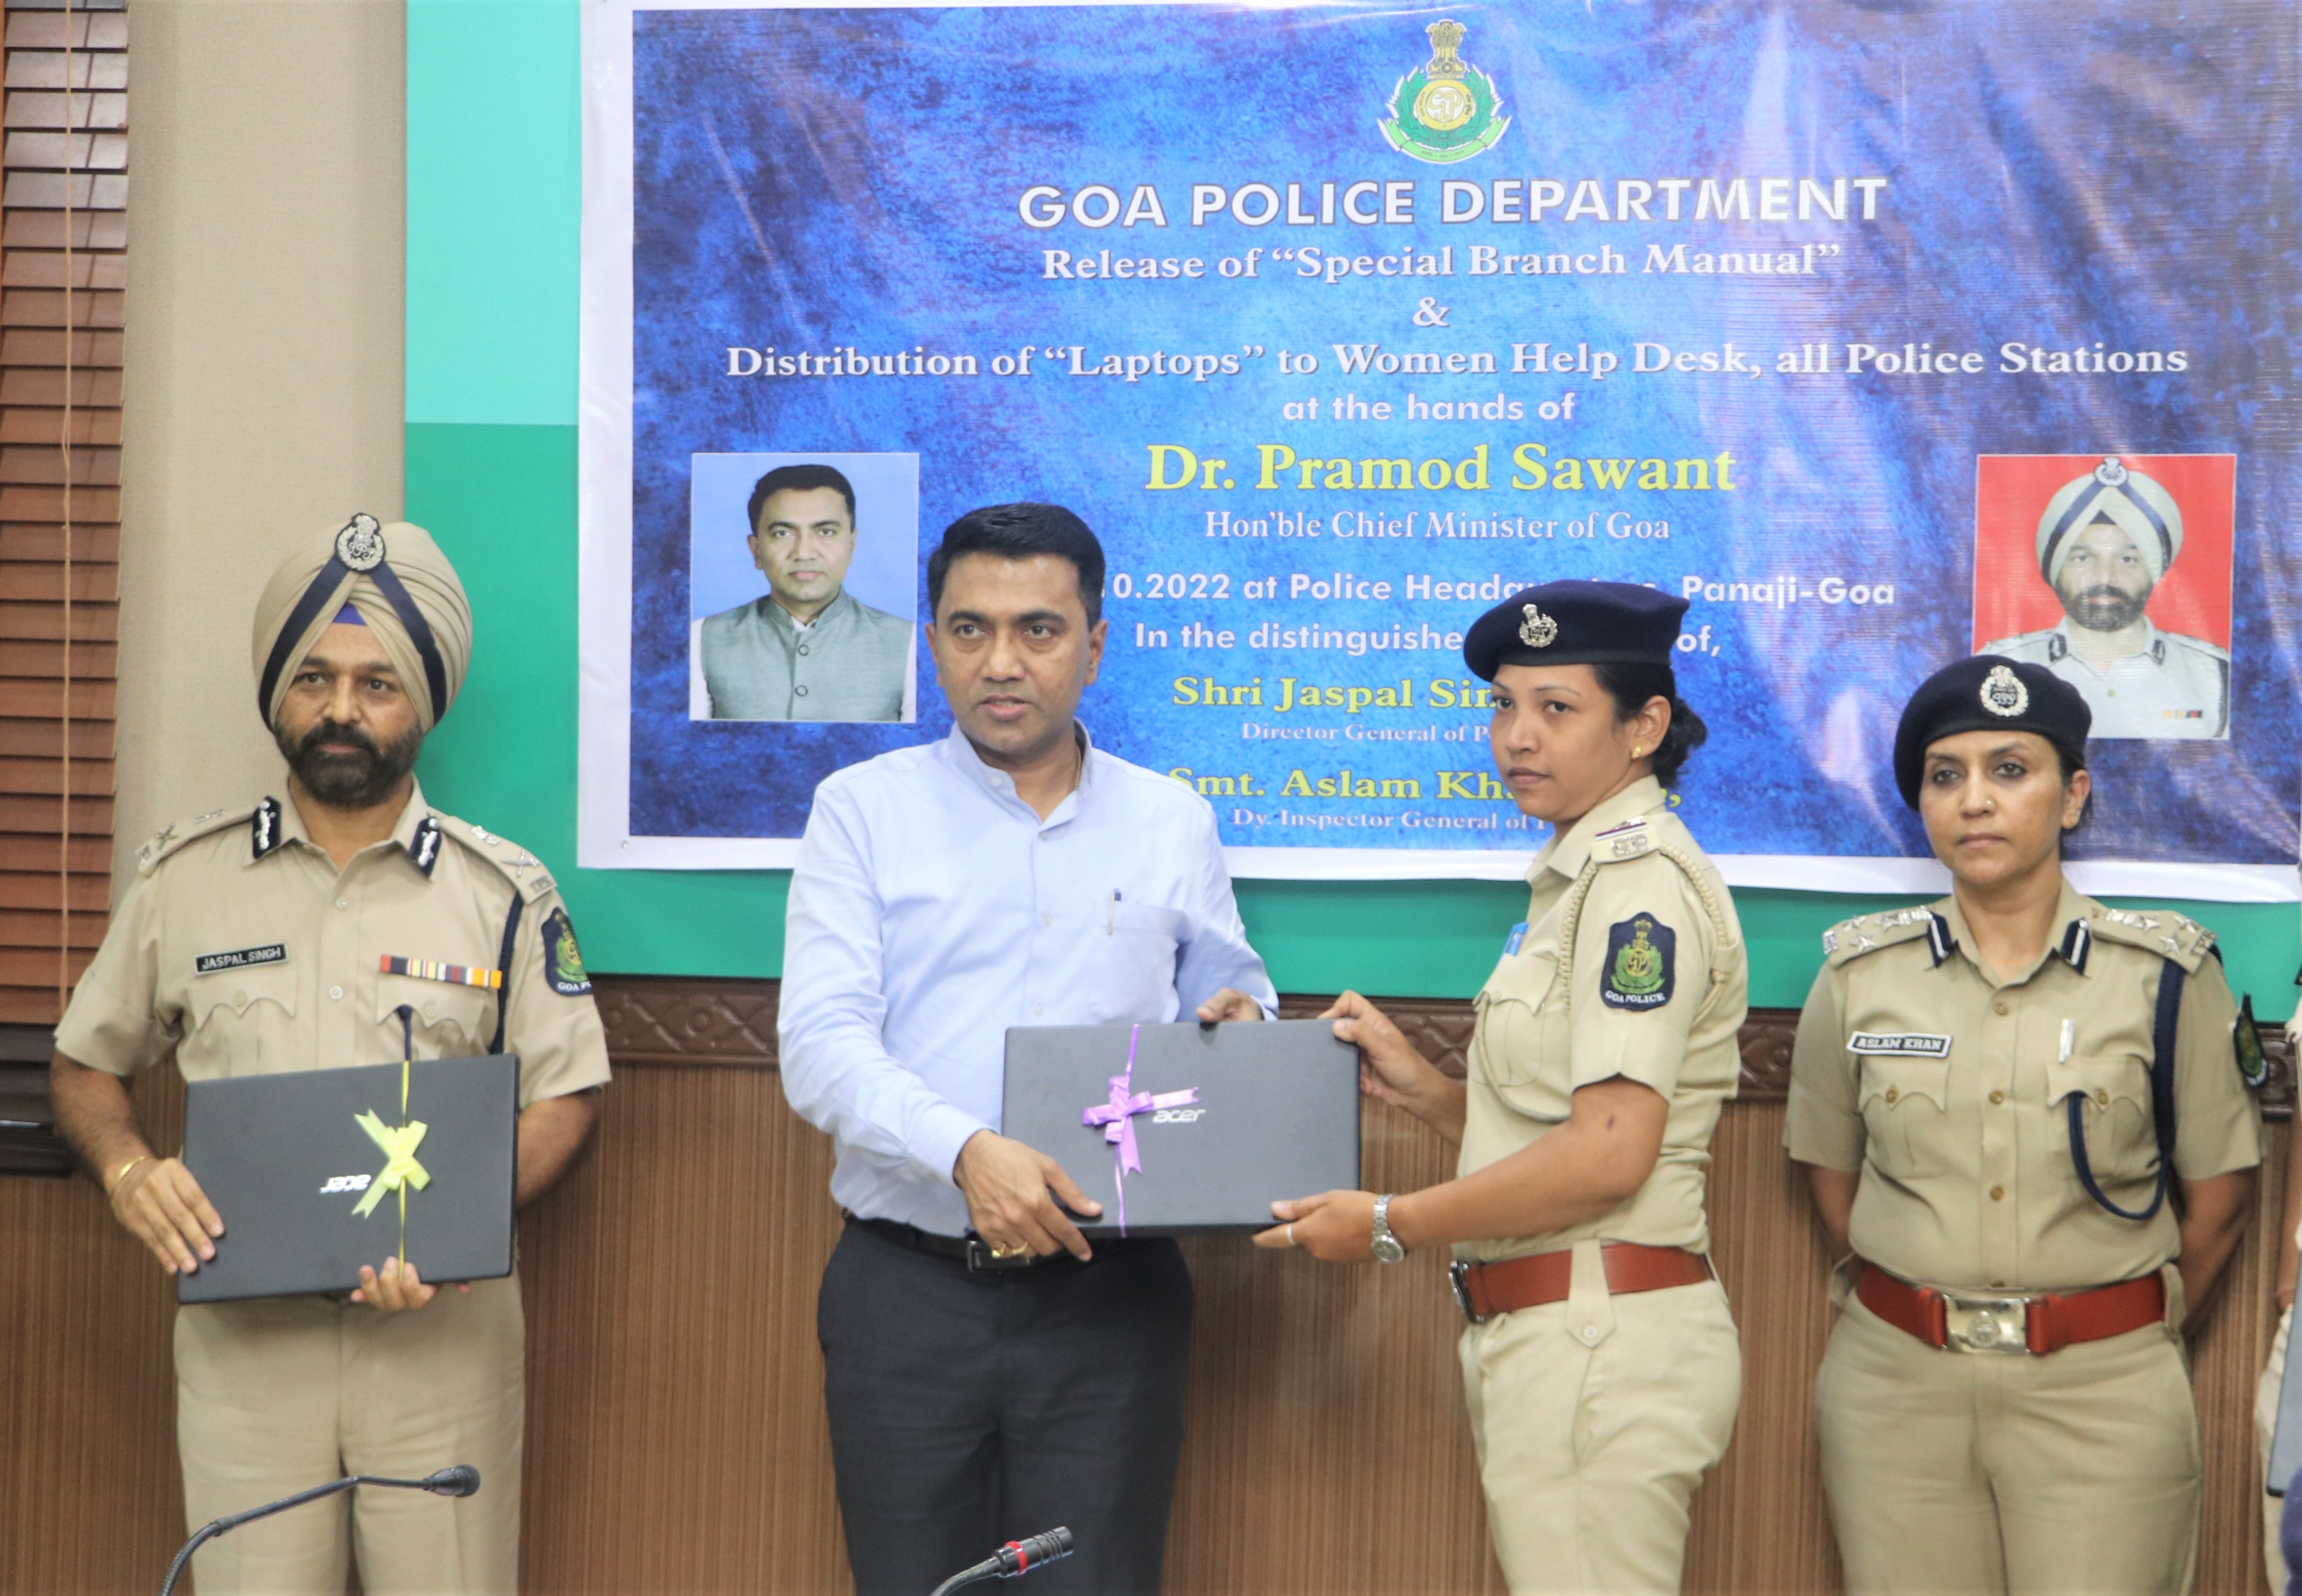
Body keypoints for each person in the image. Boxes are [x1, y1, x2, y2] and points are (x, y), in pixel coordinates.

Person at [49, 514, 610, 1594]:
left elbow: (569, 1092)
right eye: (313, 677)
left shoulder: (502, 892)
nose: (341, 709)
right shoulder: (184, 881)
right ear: (279, 695)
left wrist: (455, 1225)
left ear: (421, 704)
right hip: (246, 1351)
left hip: (439, 1344)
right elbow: (84, 1064)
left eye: (376, 683)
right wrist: (128, 1173)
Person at [777, 502, 1276, 1595]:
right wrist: (965, 1151)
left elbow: (1234, 994)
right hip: (908, 1292)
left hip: (1110, 1296)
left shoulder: (1171, 820)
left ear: (1094, 644)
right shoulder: (860, 811)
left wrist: (1243, 1026)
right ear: (931, 642)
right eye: (969, 629)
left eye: (1037, 629)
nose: (1000, 662)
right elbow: (818, 1044)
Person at [1255, 579, 1746, 1594]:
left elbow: (1608, 1153)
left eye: (1555, 708)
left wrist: (1386, 1221)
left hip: (1597, 1339)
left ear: (1643, 726)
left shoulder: (1635, 888)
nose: (1517, 735)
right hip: (1557, 1332)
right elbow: (1561, 1124)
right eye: (1501, 705)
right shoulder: (1575, 878)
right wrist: (1427, 1092)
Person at [1786, 654, 2261, 1596]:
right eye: (1945, 775)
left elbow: (2218, 1202)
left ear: (2072, 794)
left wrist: (2119, 1328)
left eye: (2009, 769)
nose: (1974, 800)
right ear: (1921, 803)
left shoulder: (2162, 976)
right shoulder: (1856, 977)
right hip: (1895, 1393)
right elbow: (1831, 1176)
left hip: (2102, 1396)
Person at [1982, 455, 2229, 738]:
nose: (2104, 578)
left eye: (2127, 559)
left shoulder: (2216, 676)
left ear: (2155, 572)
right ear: (2055, 569)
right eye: (2083, 558)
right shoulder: (1996, 668)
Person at [693, 461, 914, 720]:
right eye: (783, 533)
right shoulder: (701, 638)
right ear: (756, 550)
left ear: (851, 546)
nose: (804, 553)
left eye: (826, 532)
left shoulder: (910, 644)